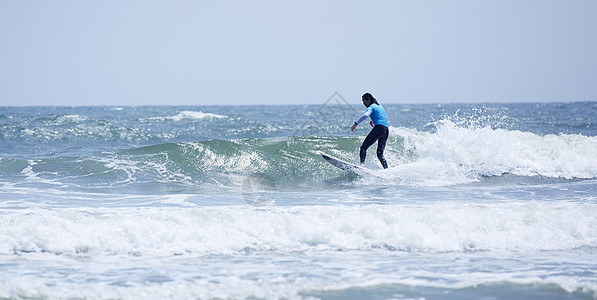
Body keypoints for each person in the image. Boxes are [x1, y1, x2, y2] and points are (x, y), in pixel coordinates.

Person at [351, 93, 389, 169]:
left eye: (364, 100)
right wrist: (372, 120)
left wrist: (356, 123)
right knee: (380, 154)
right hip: (386, 130)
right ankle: (387, 169)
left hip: (379, 128)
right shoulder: (380, 106)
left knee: (363, 147)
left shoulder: (371, 107)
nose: (363, 103)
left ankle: (362, 165)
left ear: (368, 100)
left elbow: (366, 115)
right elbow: (385, 118)